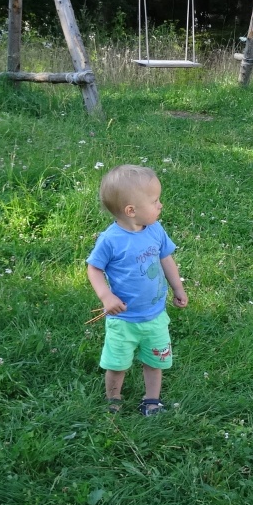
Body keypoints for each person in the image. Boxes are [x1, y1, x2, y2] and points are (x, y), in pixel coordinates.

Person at [87, 165, 189, 417]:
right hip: (123, 320)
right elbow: (93, 269)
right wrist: (106, 296)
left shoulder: (155, 230)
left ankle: (151, 400)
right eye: (154, 201)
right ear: (131, 211)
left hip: (155, 316)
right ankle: (114, 400)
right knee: (117, 364)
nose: (160, 205)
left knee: (154, 362)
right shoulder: (111, 240)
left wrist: (178, 287)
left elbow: (166, 259)